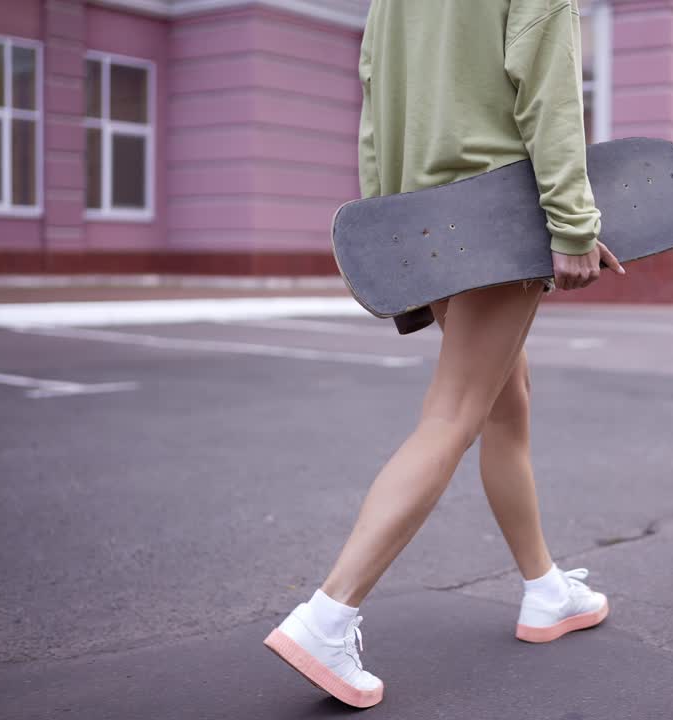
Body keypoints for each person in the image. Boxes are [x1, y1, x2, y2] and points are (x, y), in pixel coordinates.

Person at [264, 0, 623, 708]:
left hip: (421, 217)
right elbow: (550, 95)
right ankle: (327, 618)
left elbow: (374, 96)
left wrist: (388, 228)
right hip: (496, 214)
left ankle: (546, 589)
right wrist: (572, 224)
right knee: (454, 414)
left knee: (504, 408)